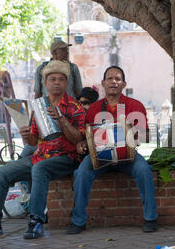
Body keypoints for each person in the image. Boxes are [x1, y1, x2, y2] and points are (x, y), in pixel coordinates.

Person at [0, 60, 85, 239]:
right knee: (2, 173)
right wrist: (26, 135)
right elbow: (33, 141)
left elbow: (78, 138)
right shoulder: (39, 106)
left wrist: (61, 120)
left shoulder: (74, 106)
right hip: (40, 156)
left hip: (66, 158)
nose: (56, 82)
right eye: (52, 79)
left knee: (40, 169)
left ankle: (36, 222)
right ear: (45, 83)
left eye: (61, 79)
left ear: (66, 83)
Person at [67, 66, 158, 234]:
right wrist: (82, 144)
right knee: (81, 173)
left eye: (117, 79)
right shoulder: (94, 109)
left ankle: (150, 218)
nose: (113, 82)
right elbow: (86, 136)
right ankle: (78, 221)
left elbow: (146, 136)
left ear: (124, 84)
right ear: (103, 83)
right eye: (110, 78)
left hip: (127, 157)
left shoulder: (134, 105)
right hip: (99, 158)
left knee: (144, 170)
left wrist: (135, 134)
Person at [22, 40, 83, 158]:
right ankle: (21, 160)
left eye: (61, 79)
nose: (67, 52)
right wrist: (34, 115)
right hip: (45, 109)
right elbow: (38, 94)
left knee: (64, 141)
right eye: (64, 50)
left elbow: (78, 92)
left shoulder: (72, 68)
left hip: (68, 109)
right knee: (36, 143)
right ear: (54, 52)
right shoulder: (42, 68)